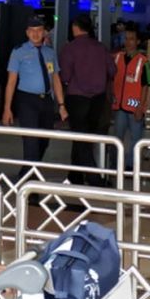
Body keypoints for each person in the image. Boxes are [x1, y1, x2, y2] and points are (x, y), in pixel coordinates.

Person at [2, 15, 68, 174]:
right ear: (27, 32)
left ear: (44, 32)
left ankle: (26, 173)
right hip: (27, 101)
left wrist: (61, 105)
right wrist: (7, 108)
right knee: (31, 142)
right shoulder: (19, 52)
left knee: (44, 141)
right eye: (32, 31)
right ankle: (31, 190)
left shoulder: (49, 53)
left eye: (39, 30)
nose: (35, 34)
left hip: (46, 101)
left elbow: (55, 79)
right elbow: (11, 81)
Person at [59, 14, 115, 185]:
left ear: (75, 27)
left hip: (76, 98)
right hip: (97, 99)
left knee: (81, 140)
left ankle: (95, 179)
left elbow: (65, 75)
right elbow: (113, 70)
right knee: (85, 138)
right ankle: (74, 176)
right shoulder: (101, 48)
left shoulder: (70, 48)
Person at [110, 23, 150, 171]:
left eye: (132, 39)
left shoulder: (144, 62)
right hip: (119, 107)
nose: (128, 42)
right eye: (126, 38)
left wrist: (141, 106)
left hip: (135, 108)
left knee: (135, 140)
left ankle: (130, 167)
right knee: (117, 139)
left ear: (138, 41)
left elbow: (147, 85)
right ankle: (114, 165)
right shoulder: (116, 58)